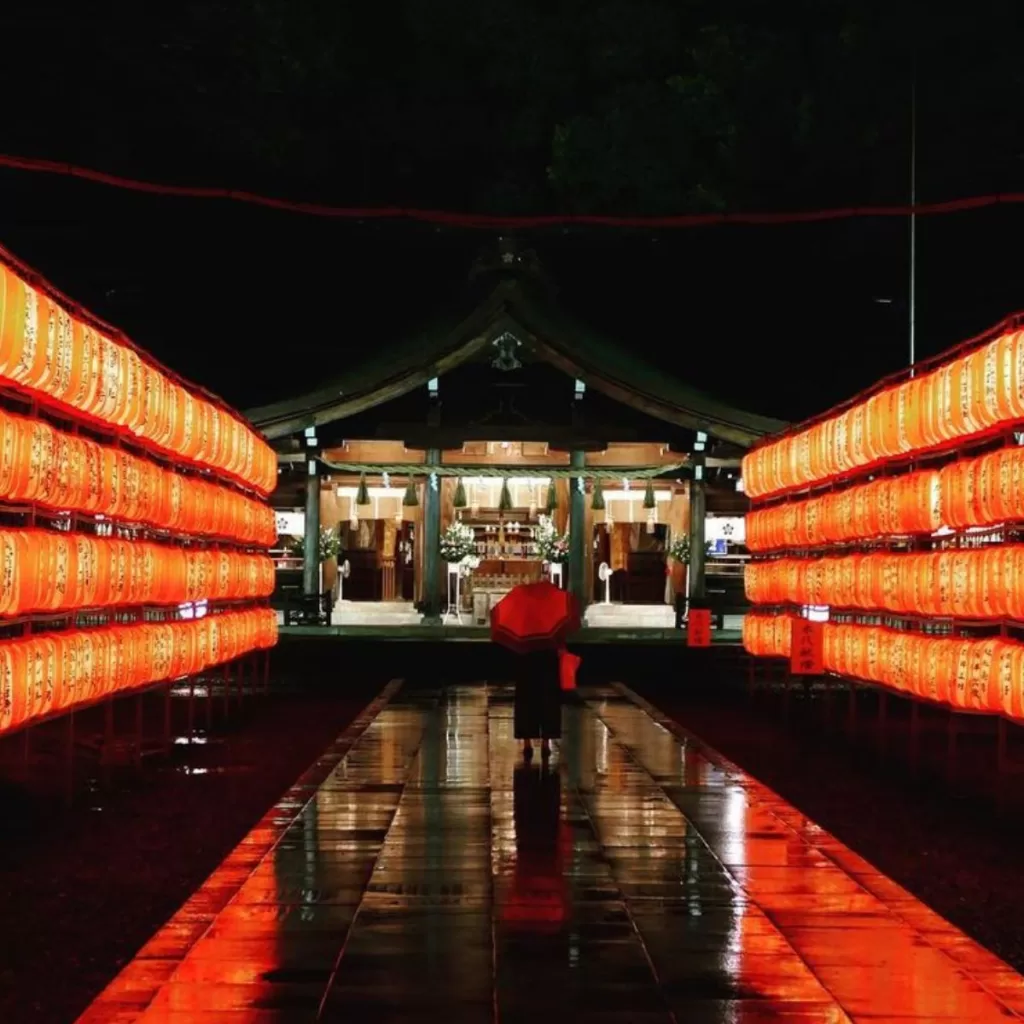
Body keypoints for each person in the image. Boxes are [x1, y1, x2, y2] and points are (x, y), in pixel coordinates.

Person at [513, 648, 562, 760]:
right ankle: (545, 742)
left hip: (526, 659)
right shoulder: (550, 635)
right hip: (548, 659)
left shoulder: (524, 635)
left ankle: (527, 743)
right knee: (548, 701)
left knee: (525, 701)